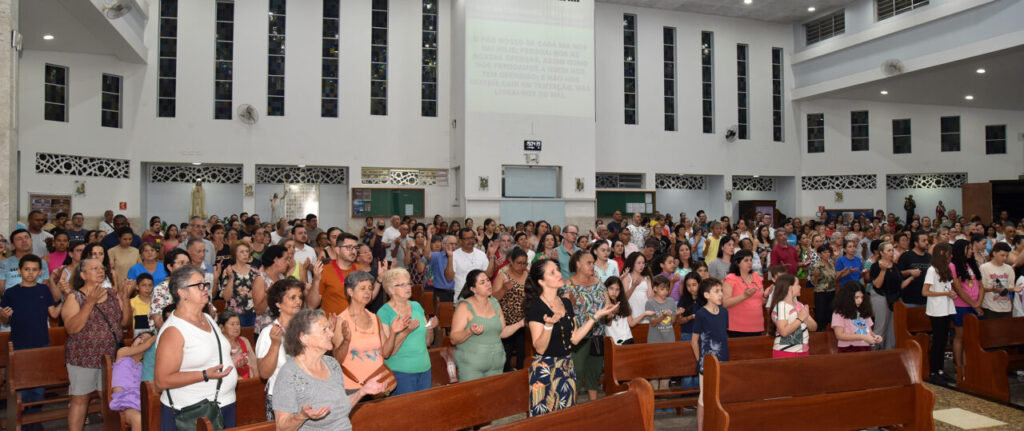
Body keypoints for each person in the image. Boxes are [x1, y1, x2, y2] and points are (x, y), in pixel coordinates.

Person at [524, 259, 617, 417]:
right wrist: (548, 325)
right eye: (552, 272)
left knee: (565, 419)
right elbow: (539, 348)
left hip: (566, 367)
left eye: (558, 270)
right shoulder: (536, 307)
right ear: (541, 281)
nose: (559, 274)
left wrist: (595, 316)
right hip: (545, 369)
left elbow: (574, 338)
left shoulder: (566, 303)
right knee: (543, 422)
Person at [272, 308, 387, 430]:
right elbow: (281, 427)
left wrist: (362, 392)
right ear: (304, 338)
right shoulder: (289, 373)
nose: (331, 333)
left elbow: (340, 407)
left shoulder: (332, 364)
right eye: (324, 330)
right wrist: (301, 416)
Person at [154, 266, 237, 430]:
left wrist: (231, 363)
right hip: (190, 411)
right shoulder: (174, 330)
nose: (205, 289)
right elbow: (161, 381)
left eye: (205, 284)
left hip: (222, 404)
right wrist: (205, 374)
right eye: (199, 285)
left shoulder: (207, 317)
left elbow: (208, 355)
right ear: (182, 292)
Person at [63, 258, 131, 431]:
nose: (100, 271)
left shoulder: (112, 294)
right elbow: (72, 328)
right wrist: (90, 303)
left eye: (102, 268)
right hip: (82, 358)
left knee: (108, 398)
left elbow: (124, 324)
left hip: (109, 357)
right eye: (94, 268)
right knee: (80, 399)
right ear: (83, 275)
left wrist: (125, 297)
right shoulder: (75, 297)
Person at [451, 269, 523, 382]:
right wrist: (469, 331)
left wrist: (520, 324)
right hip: (472, 366)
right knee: (473, 398)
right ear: (473, 289)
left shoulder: (494, 303)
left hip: (496, 364)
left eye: (488, 280)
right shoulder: (464, 306)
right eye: (482, 282)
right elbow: (453, 339)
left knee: (493, 399)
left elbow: (502, 332)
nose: (488, 284)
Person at [332, 270, 395, 396]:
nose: (368, 292)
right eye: (362, 288)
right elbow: (337, 359)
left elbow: (386, 353)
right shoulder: (341, 321)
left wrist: (393, 331)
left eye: (370, 288)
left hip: (379, 384)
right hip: (353, 386)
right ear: (350, 292)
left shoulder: (374, 318)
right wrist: (346, 341)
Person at [377, 268, 436, 395]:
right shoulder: (384, 313)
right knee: (406, 413)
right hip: (401, 373)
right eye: (402, 285)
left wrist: (430, 328)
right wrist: (406, 332)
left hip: (424, 368)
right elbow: (387, 352)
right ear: (391, 289)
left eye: (409, 283)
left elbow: (428, 342)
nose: (408, 287)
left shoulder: (416, 306)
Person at [256, 278, 305, 420]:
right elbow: (264, 373)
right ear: (278, 303)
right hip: (282, 399)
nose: (298, 302)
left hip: (306, 396)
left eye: (300, 297)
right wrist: (275, 344)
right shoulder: (269, 333)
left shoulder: (306, 329)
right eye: (292, 298)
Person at [562, 250, 607, 401]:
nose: (592, 266)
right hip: (578, 336)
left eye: (593, 263)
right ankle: (572, 408)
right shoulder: (568, 286)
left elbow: (607, 304)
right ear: (578, 264)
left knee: (594, 372)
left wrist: (612, 310)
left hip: (598, 334)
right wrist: (570, 304)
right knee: (577, 372)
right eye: (589, 263)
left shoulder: (598, 283)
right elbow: (562, 312)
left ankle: (594, 406)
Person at [692, 277, 728, 431]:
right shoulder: (701, 314)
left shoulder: (724, 312)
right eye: (716, 292)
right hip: (706, 363)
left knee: (720, 395)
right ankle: (701, 428)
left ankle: (716, 424)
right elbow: (694, 341)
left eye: (721, 291)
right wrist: (700, 361)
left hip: (723, 360)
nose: (721, 294)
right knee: (704, 397)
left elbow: (723, 336)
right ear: (706, 295)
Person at [922, 243, 957, 384]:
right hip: (936, 310)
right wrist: (945, 293)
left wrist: (950, 293)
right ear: (942, 253)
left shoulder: (946, 268)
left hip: (947, 308)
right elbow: (925, 292)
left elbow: (948, 286)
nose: (951, 255)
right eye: (949, 252)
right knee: (937, 341)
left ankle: (941, 370)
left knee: (943, 341)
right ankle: (933, 371)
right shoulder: (932, 270)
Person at [109, 332, 157, 431]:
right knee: (137, 418)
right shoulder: (122, 353)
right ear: (132, 342)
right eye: (140, 337)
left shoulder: (144, 365)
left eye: (147, 340)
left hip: (140, 401)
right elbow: (146, 346)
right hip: (123, 402)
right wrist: (157, 335)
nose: (143, 341)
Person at [869, 242, 911, 350]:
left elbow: (900, 285)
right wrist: (883, 270)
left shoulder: (896, 266)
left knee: (892, 328)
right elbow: (877, 285)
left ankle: (889, 351)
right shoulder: (875, 266)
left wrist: (911, 278)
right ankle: (874, 351)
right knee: (881, 326)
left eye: (892, 250)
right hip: (881, 297)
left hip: (895, 298)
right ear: (882, 253)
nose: (892, 253)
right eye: (889, 250)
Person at [494, 248, 528, 371]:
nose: (522, 266)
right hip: (506, 321)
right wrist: (504, 289)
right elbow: (493, 299)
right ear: (511, 262)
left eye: (525, 263)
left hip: (522, 321)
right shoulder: (503, 276)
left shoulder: (527, 275)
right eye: (519, 263)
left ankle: (519, 377)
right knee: (505, 354)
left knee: (522, 354)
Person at [767, 274, 817, 358]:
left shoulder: (799, 305)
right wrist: (800, 318)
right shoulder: (781, 306)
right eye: (797, 284)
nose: (800, 287)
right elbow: (784, 332)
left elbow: (814, 327)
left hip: (803, 351)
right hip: (786, 352)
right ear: (789, 287)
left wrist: (805, 318)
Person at [220, 242, 266, 327]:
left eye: (247, 251)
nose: (245, 254)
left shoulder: (254, 271)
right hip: (234, 315)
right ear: (235, 254)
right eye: (242, 252)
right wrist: (231, 278)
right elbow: (226, 297)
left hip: (252, 312)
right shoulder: (228, 271)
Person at [721, 250, 764, 337]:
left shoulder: (756, 277)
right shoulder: (730, 278)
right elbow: (725, 303)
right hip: (737, 327)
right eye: (746, 260)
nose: (750, 263)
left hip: (757, 325)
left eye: (751, 260)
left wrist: (765, 296)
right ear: (737, 262)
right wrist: (744, 296)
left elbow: (760, 302)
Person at [601, 276, 654, 346]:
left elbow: (631, 323)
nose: (614, 292)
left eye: (617, 289)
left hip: (628, 338)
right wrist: (612, 309)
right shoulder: (603, 305)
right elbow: (609, 324)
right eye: (611, 288)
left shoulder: (623, 303)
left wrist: (644, 314)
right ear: (606, 289)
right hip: (614, 342)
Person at [831, 281, 881, 353]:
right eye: (856, 297)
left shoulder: (864, 311)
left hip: (866, 348)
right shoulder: (839, 313)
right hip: (848, 349)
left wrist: (875, 337)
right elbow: (839, 335)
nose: (860, 300)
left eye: (862, 297)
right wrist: (862, 337)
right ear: (847, 297)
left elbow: (869, 331)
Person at [148, 248, 191, 329]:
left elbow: (211, 313)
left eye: (188, 263)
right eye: (181, 263)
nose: (186, 267)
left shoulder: (195, 286)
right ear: (170, 267)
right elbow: (158, 322)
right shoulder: (160, 289)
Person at [0, 229, 50, 296]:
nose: (24, 241)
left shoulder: (41, 262)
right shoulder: (4, 264)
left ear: (31, 241)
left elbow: (44, 284)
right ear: (12, 245)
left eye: (26, 237)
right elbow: (1, 289)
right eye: (19, 239)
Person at [449, 228, 495, 299]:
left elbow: (489, 274)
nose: (470, 241)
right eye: (467, 239)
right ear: (460, 241)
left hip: (480, 298)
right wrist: (449, 257)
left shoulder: (481, 254)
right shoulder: (454, 255)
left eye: (472, 238)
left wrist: (492, 255)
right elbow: (448, 277)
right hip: (461, 297)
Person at [980, 242, 1017, 319]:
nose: (1005, 258)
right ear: (994, 253)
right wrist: (992, 289)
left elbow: (1010, 287)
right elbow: (981, 288)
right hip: (989, 308)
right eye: (1002, 255)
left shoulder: (1009, 268)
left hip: (1006, 308)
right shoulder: (984, 267)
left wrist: (1013, 289)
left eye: (1007, 256)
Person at [218, 311, 258, 380]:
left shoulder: (244, 341)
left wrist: (256, 383)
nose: (236, 327)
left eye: (238, 324)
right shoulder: (219, 345)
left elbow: (255, 366)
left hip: (249, 382)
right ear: (222, 327)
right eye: (232, 324)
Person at [897, 232, 931, 307]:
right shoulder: (906, 256)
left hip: (927, 299)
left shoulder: (929, 257)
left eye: (927, 240)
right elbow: (898, 273)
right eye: (924, 241)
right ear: (916, 243)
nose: (927, 243)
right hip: (910, 299)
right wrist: (909, 272)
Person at [810, 244, 837, 330]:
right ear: (820, 254)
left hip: (832, 292)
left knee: (831, 315)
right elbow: (813, 283)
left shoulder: (831, 264)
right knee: (821, 316)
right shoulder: (816, 266)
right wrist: (816, 276)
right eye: (825, 252)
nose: (827, 254)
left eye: (828, 252)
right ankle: (820, 335)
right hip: (821, 293)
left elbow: (834, 277)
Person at [621, 252, 651, 320]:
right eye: (639, 263)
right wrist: (633, 286)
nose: (641, 266)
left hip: (644, 308)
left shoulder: (646, 278)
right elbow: (625, 298)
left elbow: (650, 297)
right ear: (632, 263)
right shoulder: (627, 277)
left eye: (643, 263)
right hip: (632, 309)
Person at [428, 235, 457, 303]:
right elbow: (426, 255)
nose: (453, 246)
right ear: (443, 245)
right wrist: (429, 240)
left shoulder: (458, 256)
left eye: (455, 244)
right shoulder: (436, 255)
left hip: (456, 292)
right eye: (451, 244)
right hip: (440, 292)